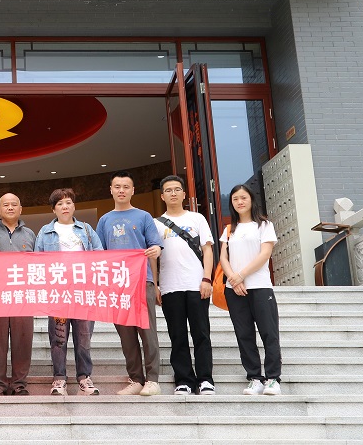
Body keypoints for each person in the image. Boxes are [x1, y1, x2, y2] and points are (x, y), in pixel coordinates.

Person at [96, 170, 164, 397]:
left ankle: (153, 379)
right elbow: (99, 253)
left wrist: (156, 251)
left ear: (133, 190)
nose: (121, 190)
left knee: (148, 332)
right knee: (126, 335)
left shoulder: (144, 216)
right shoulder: (104, 220)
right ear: (111, 190)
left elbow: (155, 246)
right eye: (117, 186)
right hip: (117, 285)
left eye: (126, 187)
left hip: (141, 280)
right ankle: (135, 379)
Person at [36, 188, 103, 397]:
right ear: (53, 209)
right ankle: (59, 379)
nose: (65, 206)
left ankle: (84, 378)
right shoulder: (45, 232)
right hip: (58, 294)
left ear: (74, 206)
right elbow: (37, 261)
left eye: (68, 202)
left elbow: (100, 255)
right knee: (59, 338)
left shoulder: (86, 229)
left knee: (84, 338)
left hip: (83, 293)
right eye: (60, 204)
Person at [154, 175, 215, 396]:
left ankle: (205, 379)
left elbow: (207, 249)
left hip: (197, 284)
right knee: (177, 335)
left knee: (201, 333)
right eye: (168, 190)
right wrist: (155, 285)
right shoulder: (156, 223)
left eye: (177, 189)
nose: (173, 193)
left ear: (183, 194)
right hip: (170, 286)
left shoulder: (197, 218)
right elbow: (152, 257)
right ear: (162, 196)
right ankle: (184, 380)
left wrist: (206, 279)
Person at [219, 184, 283, 396]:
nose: (239, 202)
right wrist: (233, 279)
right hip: (235, 290)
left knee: (269, 333)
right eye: (235, 199)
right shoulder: (229, 229)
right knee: (244, 335)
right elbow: (223, 257)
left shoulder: (264, 225)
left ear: (252, 200)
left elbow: (265, 254)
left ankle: (273, 379)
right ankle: (255, 378)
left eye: (243, 197)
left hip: (260, 287)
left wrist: (241, 275)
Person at [0, 192, 37, 396]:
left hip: (23, 296)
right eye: (5, 205)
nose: (10, 208)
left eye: (14, 204)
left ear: (20, 209)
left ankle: (19, 384)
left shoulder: (30, 234)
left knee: (23, 341)